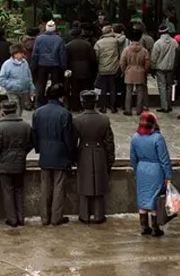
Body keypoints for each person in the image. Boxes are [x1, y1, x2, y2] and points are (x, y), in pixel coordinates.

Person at [32, 83, 74, 226]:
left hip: (45, 153)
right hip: (61, 154)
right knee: (58, 186)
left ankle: (45, 217)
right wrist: (71, 155)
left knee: (45, 186)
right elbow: (69, 138)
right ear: (61, 97)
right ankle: (56, 217)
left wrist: (39, 149)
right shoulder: (65, 114)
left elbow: (35, 135)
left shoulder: (38, 112)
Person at [73, 90, 115, 224]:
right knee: (99, 185)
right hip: (99, 152)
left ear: (82, 103)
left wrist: (73, 157)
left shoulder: (77, 120)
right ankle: (99, 215)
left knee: (84, 185)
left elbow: (73, 141)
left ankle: (84, 215)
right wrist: (110, 159)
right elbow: (109, 142)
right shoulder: (104, 119)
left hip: (83, 151)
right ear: (95, 102)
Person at [129, 112, 172, 237]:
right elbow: (164, 159)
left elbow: (133, 157)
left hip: (141, 169)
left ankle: (144, 227)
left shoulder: (135, 137)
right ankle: (155, 228)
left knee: (143, 199)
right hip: (156, 170)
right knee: (155, 200)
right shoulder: (158, 138)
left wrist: (137, 170)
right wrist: (168, 176)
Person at [0, 100, 33, 227]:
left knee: (8, 191)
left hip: (4, 164)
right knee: (19, 190)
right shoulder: (25, 125)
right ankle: (21, 218)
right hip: (20, 163)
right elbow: (31, 143)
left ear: (3, 112)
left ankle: (12, 219)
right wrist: (22, 153)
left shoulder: (1, 127)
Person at [31, 20, 66, 108]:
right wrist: (63, 67)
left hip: (42, 64)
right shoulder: (59, 39)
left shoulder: (39, 39)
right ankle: (55, 101)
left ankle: (39, 103)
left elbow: (35, 54)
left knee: (40, 84)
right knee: (55, 84)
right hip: (55, 65)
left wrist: (33, 66)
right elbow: (62, 54)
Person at [0, 45, 35, 117]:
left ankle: (18, 120)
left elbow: (29, 77)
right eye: (21, 53)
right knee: (15, 108)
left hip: (24, 90)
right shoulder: (7, 64)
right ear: (15, 54)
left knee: (21, 108)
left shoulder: (25, 63)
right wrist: (11, 85)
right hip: (12, 91)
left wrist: (32, 89)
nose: (23, 55)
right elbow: (1, 79)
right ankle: (15, 121)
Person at [94, 26, 125, 113]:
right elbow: (123, 37)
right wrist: (113, 33)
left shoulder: (98, 43)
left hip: (102, 68)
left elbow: (96, 56)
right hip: (113, 67)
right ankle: (113, 107)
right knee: (112, 88)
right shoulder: (115, 41)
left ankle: (103, 107)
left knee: (103, 88)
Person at [121, 30, 151, 116]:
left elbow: (122, 62)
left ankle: (128, 109)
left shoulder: (126, 50)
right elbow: (147, 62)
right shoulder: (144, 50)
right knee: (140, 91)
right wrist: (144, 70)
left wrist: (124, 70)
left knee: (128, 91)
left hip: (129, 70)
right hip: (140, 70)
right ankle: (139, 109)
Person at [150, 24, 178, 113]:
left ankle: (164, 106)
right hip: (171, 67)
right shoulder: (174, 42)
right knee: (169, 86)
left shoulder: (157, 43)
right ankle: (169, 105)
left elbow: (154, 57)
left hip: (160, 68)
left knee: (162, 86)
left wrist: (152, 68)